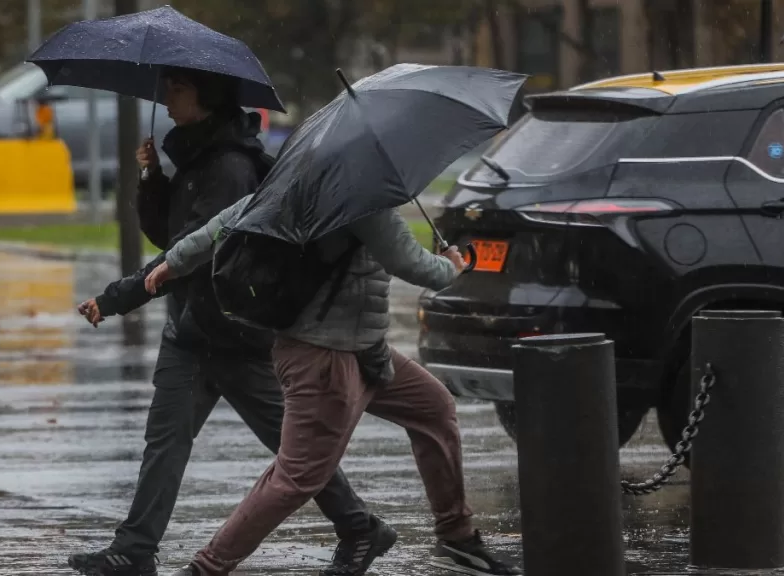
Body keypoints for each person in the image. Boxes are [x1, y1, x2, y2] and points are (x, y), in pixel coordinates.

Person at [68, 68, 385, 576]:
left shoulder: (230, 167)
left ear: (207, 97)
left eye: (178, 89)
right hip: (191, 332)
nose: (167, 97)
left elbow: (187, 256)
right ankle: (135, 549)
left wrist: (115, 298)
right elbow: (166, 235)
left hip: (234, 333)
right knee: (165, 442)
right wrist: (151, 177)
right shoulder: (197, 157)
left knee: (295, 451)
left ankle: (359, 526)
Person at [144, 194, 524, 576]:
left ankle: (457, 539)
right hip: (325, 358)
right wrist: (451, 266)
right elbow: (411, 263)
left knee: (433, 407)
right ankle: (206, 568)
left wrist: (174, 262)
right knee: (296, 477)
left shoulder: (299, 184)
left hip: (364, 349)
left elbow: (223, 221)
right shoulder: (363, 200)